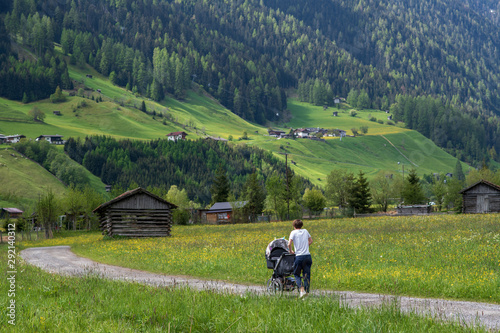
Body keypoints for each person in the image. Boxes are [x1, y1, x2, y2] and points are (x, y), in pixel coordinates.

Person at [288, 219, 313, 298]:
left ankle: (302, 290)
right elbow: (311, 241)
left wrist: (291, 251)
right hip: (307, 256)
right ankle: (307, 292)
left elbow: (289, 243)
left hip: (299, 256)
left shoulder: (293, 232)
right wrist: (305, 246)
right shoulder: (305, 231)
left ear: (294, 226)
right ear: (301, 225)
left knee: (296, 274)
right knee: (306, 275)